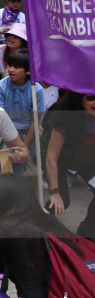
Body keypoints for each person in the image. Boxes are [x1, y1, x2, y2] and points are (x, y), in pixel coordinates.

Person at [44, 91, 95, 237]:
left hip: (85, 161)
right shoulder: (64, 116)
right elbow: (51, 157)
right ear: (79, 100)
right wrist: (54, 193)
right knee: (61, 201)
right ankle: (37, 227)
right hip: (56, 159)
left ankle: (87, 231)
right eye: (91, 98)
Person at [0, 49, 44, 152]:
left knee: (36, 157)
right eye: (10, 65)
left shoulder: (37, 89)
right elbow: (0, 117)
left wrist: (24, 145)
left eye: (16, 67)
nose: (11, 70)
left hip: (29, 130)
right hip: (7, 129)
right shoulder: (1, 86)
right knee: (9, 156)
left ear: (28, 71)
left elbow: (35, 120)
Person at [0, 23, 28, 91]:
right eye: (10, 34)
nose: (11, 37)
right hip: (3, 91)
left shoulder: (29, 56)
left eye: (16, 36)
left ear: (23, 41)